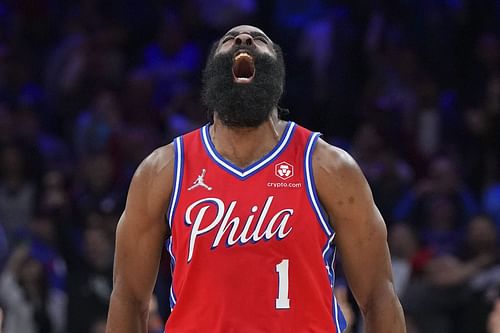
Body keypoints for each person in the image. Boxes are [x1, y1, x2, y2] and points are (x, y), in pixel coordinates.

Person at [106, 25, 405, 332]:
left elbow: (378, 295)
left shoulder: (328, 166)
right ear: (211, 74)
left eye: (259, 40)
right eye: (229, 40)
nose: (244, 39)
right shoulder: (163, 170)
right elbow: (129, 298)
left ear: (278, 75)